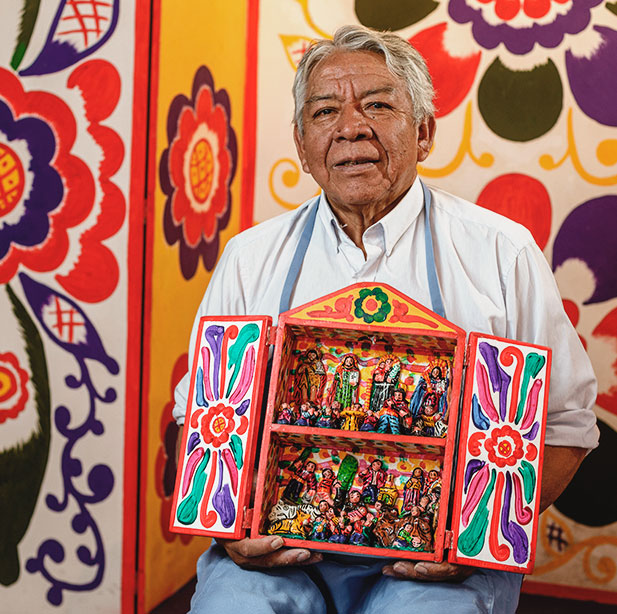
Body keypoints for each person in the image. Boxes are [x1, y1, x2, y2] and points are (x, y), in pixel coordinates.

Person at [172, 24, 599, 614]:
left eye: (377, 104)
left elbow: (567, 427)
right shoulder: (251, 257)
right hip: (276, 551)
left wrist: (479, 538)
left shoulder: (502, 252)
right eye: (325, 111)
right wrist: (229, 530)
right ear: (301, 142)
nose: (351, 127)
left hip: (445, 566)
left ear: (423, 132)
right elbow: (197, 415)